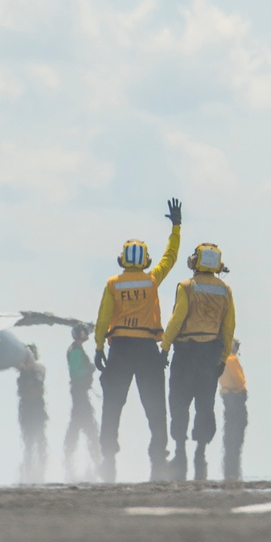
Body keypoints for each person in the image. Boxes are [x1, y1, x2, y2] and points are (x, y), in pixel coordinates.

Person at [94, 198, 182, 482]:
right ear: (145, 261)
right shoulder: (152, 280)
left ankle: (108, 456)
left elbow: (102, 318)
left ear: (122, 259)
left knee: (112, 403)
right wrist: (176, 227)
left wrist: (97, 347)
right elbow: (170, 258)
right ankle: (158, 457)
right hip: (147, 349)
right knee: (156, 405)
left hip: (120, 349)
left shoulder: (113, 284)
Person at [161, 243, 235, 481]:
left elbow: (176, 319)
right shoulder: (225, 290)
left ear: (195, 261)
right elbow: (229, 328)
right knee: (205, 405)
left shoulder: (186, 286)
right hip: (210, 356)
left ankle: (180, 452)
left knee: (179, 402)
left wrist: (164, 347)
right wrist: (222, 358)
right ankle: (200, 454)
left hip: (185, 353)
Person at [64, 323, 102, 481]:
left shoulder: (75, 350)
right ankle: (95, 460)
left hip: (80, 393)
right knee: (86, 426)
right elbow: (75, 371)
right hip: (80, 394)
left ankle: (72, 457)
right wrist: (90, 369)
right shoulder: (75, 351)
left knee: (79, 425)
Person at [17, 344, 48, 483]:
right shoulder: (24, 369)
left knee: (39, 438)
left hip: (35, 405)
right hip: (28, 406)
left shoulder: (37, 368)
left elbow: (39, 375)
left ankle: (41, 469)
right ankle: (29, 470)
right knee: (29, 440)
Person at [219, 338, 248, 481]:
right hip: (235, 396)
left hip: (228, 396)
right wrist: (242, 388)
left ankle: (230, 467)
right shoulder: (231, 360)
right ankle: (233, 468)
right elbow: (239, 380)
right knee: (237, 428)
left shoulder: (223, 359)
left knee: (230, 428)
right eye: (237, 345)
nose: (238, 348)